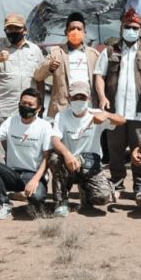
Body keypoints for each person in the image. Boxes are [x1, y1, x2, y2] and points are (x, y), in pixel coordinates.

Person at [94, 7, 141, 193]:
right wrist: (102, 97)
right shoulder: (110, 50)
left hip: (139, 110)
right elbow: (99, 75)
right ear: (121, 28)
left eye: (135, 28)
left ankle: (140, 184)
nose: (131, 30)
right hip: (115, 111)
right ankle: (117, 181)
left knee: (139, 149)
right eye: (127, 27)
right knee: (115, 149)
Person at [50, 82, 126, 217]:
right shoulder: (61, 116)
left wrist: (106, 115)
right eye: (75, 97)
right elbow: (55, 140)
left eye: (82, 97)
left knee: (102, 198)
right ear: (68, 98)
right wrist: (67, 154)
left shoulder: (96, 114)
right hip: (70, 163)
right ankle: (61, 202)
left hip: (91, 165)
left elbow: (122, 120)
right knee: (55, 158)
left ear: (89, 98)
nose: (79, 100)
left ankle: (91, 191)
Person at [0, 88, 52, 220]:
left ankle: (31, 194)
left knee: (37, 199)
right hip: (13, 173)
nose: (26, 107)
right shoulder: (11, 121)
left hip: (33, 174)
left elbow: (47, 157)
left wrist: (35, 180)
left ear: (38, 108)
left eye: (30, 104)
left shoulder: (45, 126)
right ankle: (4, 204)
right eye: (23, 103)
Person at [0, 13, 46, 126]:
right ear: (5, 30)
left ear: (25, 30)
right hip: (2, 112)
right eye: (9, 28)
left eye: (17, 28)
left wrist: (41, 106)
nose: (13, 31)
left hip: (28, 111)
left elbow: (40, 81)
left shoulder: (35, 50)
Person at [34, 11, 101, 118]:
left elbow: (100, 81)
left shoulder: (94, 55)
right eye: (72, 29)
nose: (75, 31)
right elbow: (38, 76)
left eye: (79, 29)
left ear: (85, 33)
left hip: (87, 108)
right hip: (62, 109)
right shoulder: (56, 52)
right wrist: (49, 67)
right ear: (66, 32)